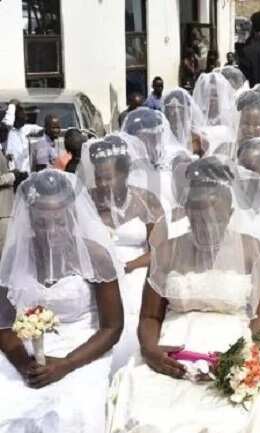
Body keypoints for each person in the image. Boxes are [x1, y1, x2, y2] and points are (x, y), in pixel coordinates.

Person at [106, 157, 260, 433]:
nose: (206, 226)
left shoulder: (251, 249)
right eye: (197, 218)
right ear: (186, 212)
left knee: (238, 417)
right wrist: (150, 350)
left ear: (230, 213)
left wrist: (239, 356)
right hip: (174, 350)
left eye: (215, 218)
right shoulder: (166, 252)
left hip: (235, 346)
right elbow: (151, 315)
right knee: (152, 416)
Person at [0, 170, 123, 433]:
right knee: (9, 407)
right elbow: (4, 326)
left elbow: (112, 327)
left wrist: (66, 364)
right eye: (42, 223)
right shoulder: (15, 256)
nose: (51, 231)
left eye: (59, 222)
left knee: (72, 413)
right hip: (27, 351)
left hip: (84, 347)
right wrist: (25, 366)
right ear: (30, 221)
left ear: (72, 216)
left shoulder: (96, 255)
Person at [78, 134, 165, 374]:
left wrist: (129, 265)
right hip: (97, 276)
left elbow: (160, 250)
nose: (103, 184)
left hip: (136, 271)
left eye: (109, 177)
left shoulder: (146, 200)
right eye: (98, 178)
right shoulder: (85, 202)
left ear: (124, 174)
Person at [1, 100, 43, 178]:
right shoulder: (7, 131)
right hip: (12, 175)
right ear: (15, 118)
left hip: (26, 174)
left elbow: (39, 129)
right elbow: (7, 122)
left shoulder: (25, 128)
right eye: (23, 117)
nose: (26, 118)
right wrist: (12, 105)